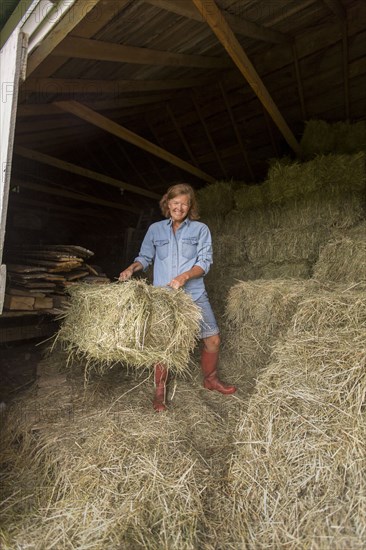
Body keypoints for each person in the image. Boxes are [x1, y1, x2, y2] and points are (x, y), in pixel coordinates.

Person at [119, 183, 236, 412]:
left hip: (193, 294)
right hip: (164, 297)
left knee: (212, 339)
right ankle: (159, 393)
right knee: (162, 345)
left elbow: (204, 262)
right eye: (175, 203)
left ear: (190, 206)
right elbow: (145, 256)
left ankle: (210, 380)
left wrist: (184, 276)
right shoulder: (155, 230)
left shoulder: (200, 230)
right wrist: (132, 269)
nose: (179, 207)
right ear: (167, 204)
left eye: (184, 203)